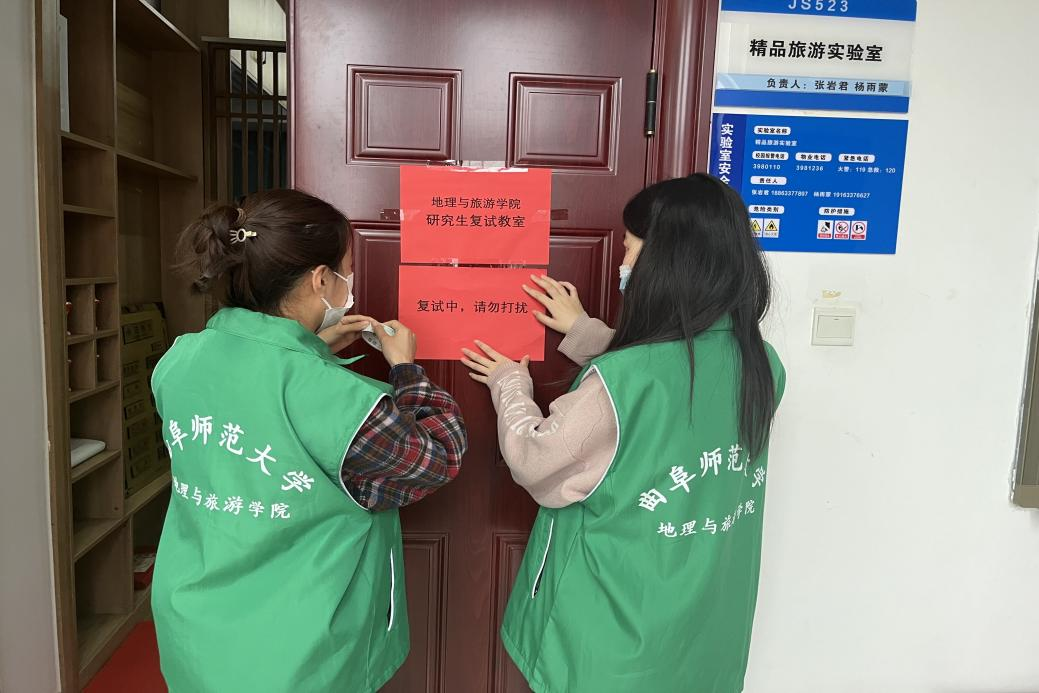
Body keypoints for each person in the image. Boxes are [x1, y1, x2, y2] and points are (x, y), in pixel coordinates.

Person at [461, 174, 786, 692]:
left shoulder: (625, 380)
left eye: (631, 248)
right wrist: (586, 334)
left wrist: (509, 385)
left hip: (614, 634)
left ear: (667, 261)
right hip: (706, 627)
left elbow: (533, 458)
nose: (623, 263)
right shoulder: (761, 363)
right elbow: (673, 394)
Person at [151, 188, 467, 692]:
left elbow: (254, 403)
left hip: (193, 624)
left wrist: (311, 351)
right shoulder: (334, 396)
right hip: (295, 649)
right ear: (321, 279)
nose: (347, 282)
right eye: (346, 270)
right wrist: (406, 369)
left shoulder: (179, 359)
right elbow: (435, 456)